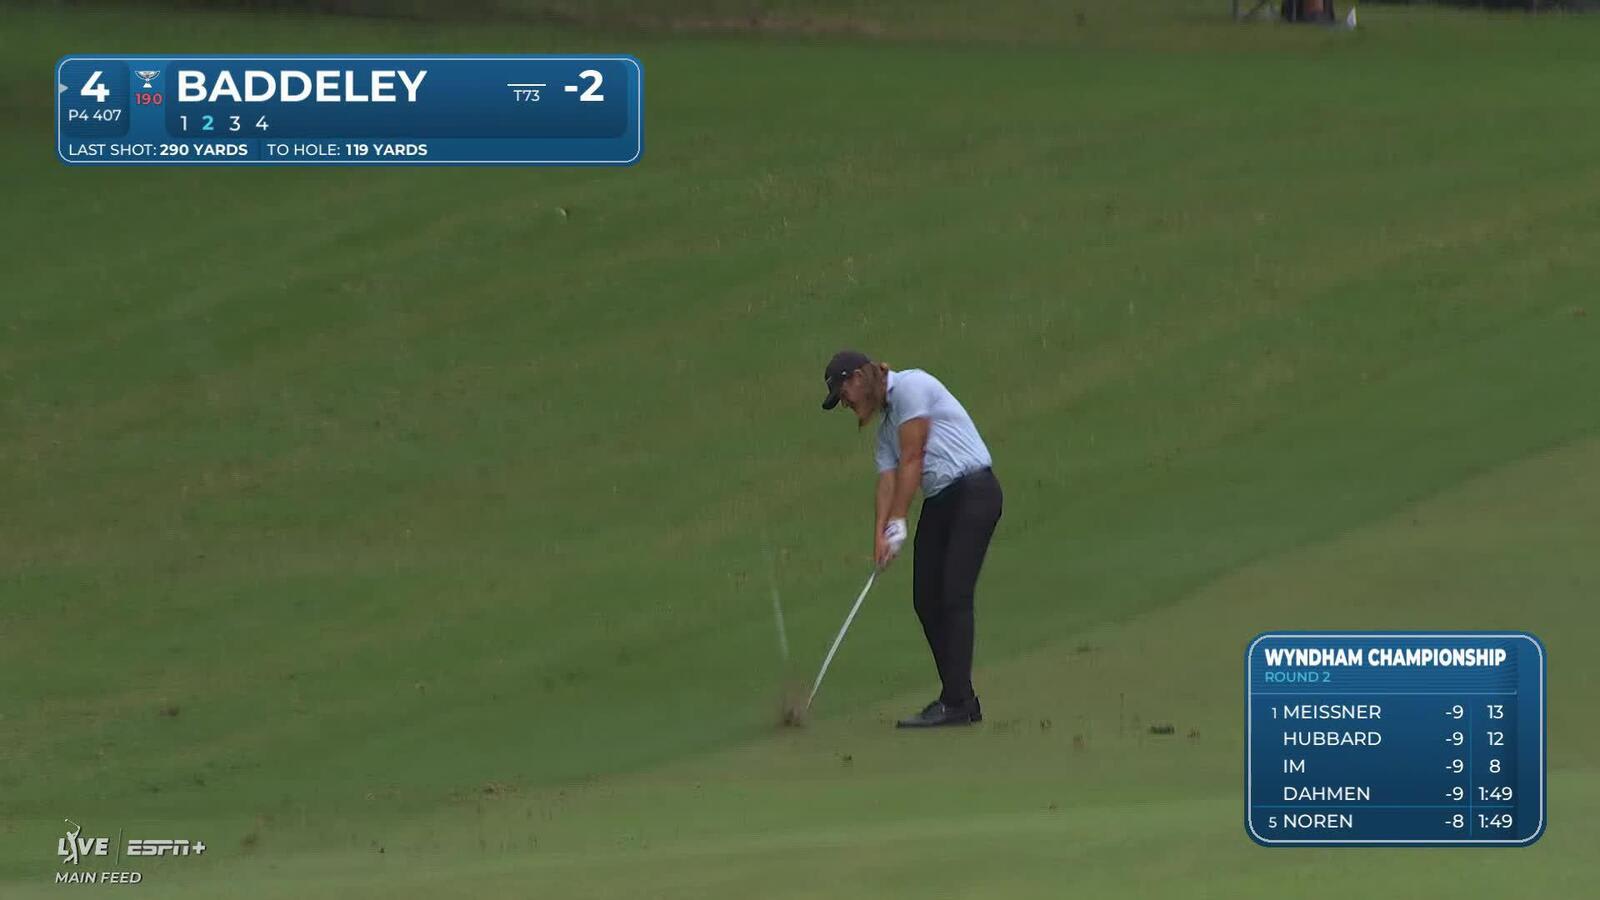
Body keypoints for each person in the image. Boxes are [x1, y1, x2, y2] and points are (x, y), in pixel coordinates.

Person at [820, 350, 1004, 728]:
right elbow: (888, 481)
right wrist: (880, 537)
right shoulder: (887, 426)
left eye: (844, 394)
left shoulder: (912, 387)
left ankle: (955, 701)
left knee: (954, 593)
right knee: (926, 598)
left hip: (974, 492)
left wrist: (900, 520)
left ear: (859, 377)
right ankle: (962, 699)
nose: (845, 404)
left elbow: (913, 457)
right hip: (941, 500)